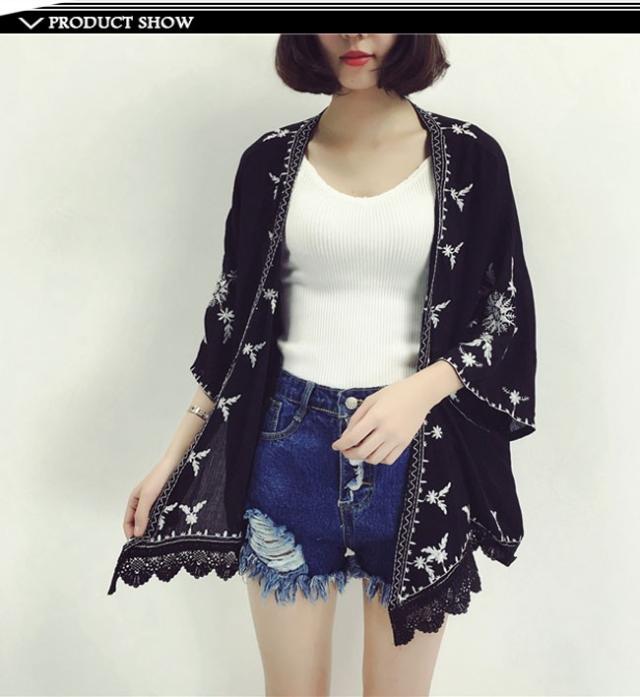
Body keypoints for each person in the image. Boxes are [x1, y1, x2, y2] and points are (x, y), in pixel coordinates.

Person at [116, 33, 536, 697]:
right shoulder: (269, 162)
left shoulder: (470, 157)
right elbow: (231, 325)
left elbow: (505, 313)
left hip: (419, 461)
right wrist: (174, 456)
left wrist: (420, 390)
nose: (354, 33)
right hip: (286, 449)